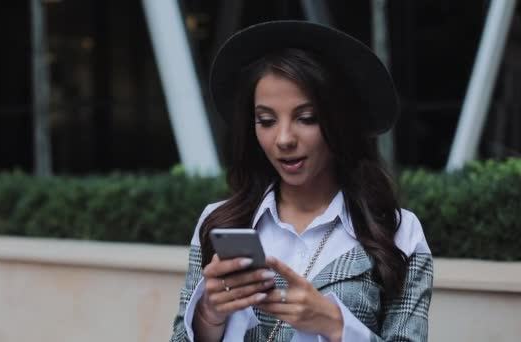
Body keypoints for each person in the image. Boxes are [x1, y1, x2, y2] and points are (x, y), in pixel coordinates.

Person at [170, 20, 432, 342]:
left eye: (306, 118)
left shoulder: (397, 234)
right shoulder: (220, 224)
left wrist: (336, 324)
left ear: (340, 121)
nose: (283, 139)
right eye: (266, 120)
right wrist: (209, 315)